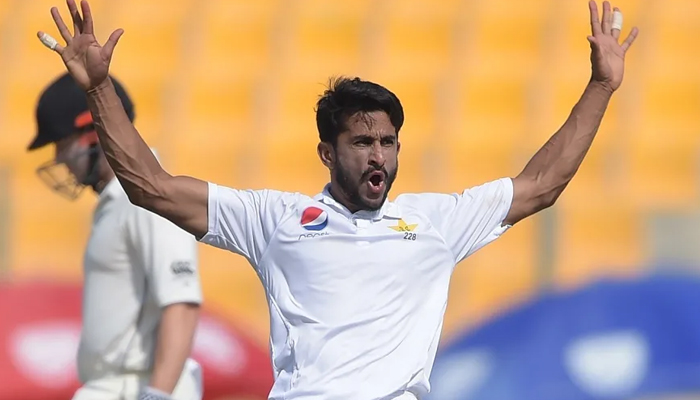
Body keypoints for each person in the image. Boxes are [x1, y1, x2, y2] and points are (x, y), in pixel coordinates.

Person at [37, 0, 638, 399]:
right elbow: (152, 186)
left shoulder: (433, 222)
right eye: (361, 142)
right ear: (327, 152)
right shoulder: (274, 220)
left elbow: (541, 185)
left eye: (388, 142)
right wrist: (99, 91)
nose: (379, 155)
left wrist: (601, 87)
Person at [27, 72, 204, 400]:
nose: (60, 160)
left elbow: (181, 303)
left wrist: (159, 395)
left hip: (138, 387)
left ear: (94, 134)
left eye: (63, 145)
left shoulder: (146, 199)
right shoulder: (118, 200)